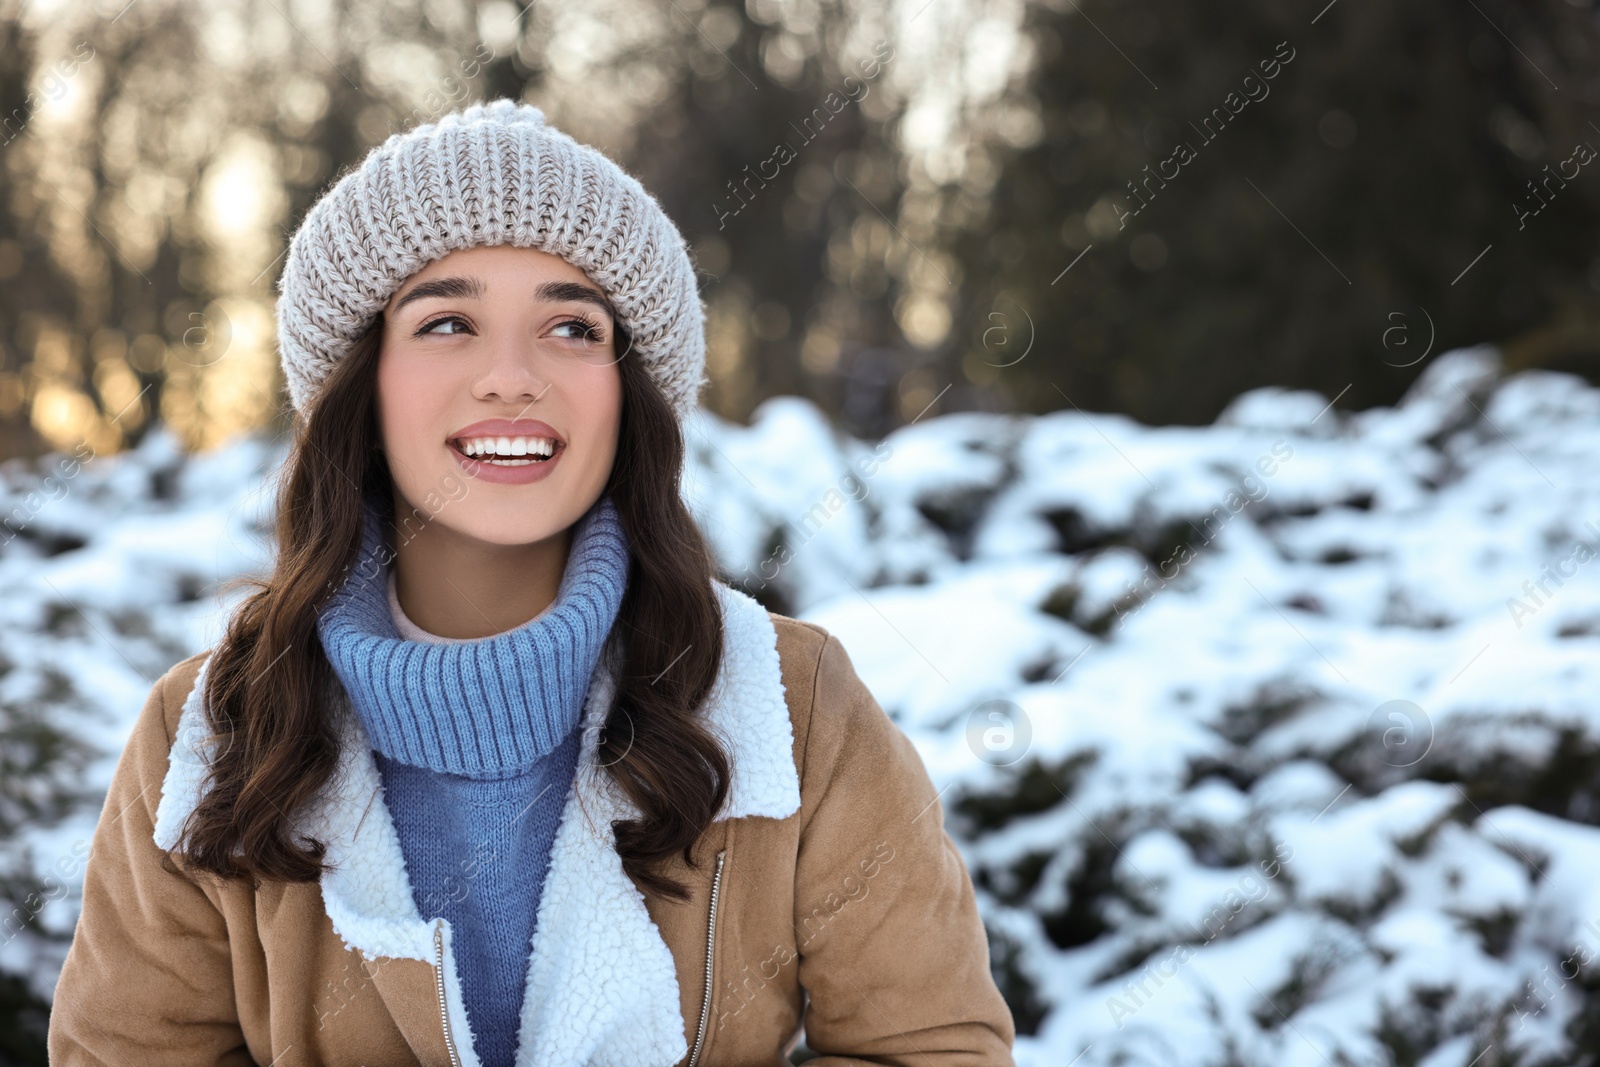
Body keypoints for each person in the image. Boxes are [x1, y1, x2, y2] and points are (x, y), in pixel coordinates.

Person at [47, 98, 1015, 1067]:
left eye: (571, 327)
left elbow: (929, 1047)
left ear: (626, 390)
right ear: (362, 380)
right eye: (448, 322)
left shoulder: (797, 705)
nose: (511, 376)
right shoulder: (207, 728)